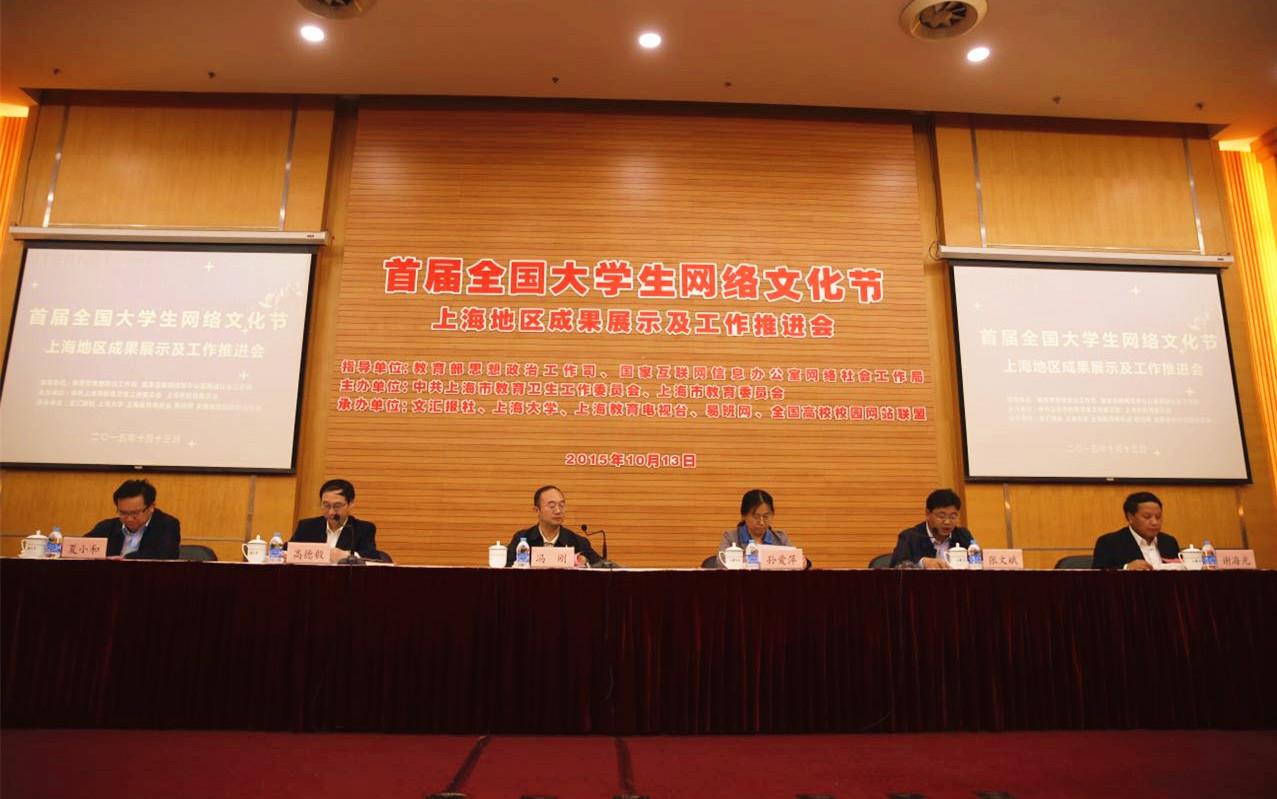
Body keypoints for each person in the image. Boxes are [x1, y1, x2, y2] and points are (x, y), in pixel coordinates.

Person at [505, 485, 602, 567]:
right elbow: (506, 569)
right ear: (536, 510)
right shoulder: (522, 539)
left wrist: (586, 563)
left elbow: (603, 566)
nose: (558, 511)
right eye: (552, 506)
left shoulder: (578, 542)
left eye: (561, 505)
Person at [86, 479, 181, 559]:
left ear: (151, 507)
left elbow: (164, 555)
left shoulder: (167, 525)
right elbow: (82, 548)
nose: (129, 519)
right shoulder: (106, 527)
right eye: (123, 513)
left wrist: (124, 559)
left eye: (135, 513)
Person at [290, 478, 380, 561]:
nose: (331, 512)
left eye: (337, 506)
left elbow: (372, 556)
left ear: (351, 503)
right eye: (326, 505)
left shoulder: (363, 529)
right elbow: (288, 550)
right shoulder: (306, 526)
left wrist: (347, 555)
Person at [1091, 491, 1181, 570]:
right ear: (1130, 517)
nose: (1154, 522)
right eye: (1147, 517)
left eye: (1158, 517)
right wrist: (1126, 568)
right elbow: (1097, 576)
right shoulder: (1110, 543)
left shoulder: (1169, 542)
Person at [890, 488, 975, 569]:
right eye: (941, 516)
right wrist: (922, 563)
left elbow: (977, 560)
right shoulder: (910, 536)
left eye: (953, 516)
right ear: (928, 513)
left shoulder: (963, 535)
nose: (947, 522)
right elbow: (897, 565)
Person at [719, 488, 792, 554]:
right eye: (756, 517)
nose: (761, 522)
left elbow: (794, 560)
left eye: (766, 517)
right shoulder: (731, 538)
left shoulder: (780, 539)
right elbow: (722, 562)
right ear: (743, 516)